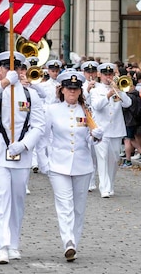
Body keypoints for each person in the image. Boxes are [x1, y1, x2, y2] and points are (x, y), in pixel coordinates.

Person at [0, 52, 45, 264]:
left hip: (21, 155)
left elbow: (39, 125)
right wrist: (6, 81)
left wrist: (25, 144)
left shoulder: (30, 95)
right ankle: (3, 246)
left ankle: (14, 243)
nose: (14, 71)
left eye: (17, 68)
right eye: (7, 67)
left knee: (17, 200)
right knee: (2, 197)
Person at [44, 70, 103, 261]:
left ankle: (74, 244)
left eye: (75, 89)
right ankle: (67, 240)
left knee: (79, 207)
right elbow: (44, 138)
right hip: (58, 164)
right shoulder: (51, 110)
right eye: (69, 88)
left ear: (80, 91)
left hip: (82, 164)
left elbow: (88, 138)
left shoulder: (86, 110)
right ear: (61, 90)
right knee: (64, 205)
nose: (72, 92)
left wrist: (96, 136)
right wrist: (44, 162)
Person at [90, 62, 131, 198]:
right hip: (101, 130)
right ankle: (104, 188)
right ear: (100, 75)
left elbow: (128, 103)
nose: (108, 77)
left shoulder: (118, 88)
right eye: (105, 74)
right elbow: (96, 106)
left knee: (114, 159)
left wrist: (119, 91)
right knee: (102, 158)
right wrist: (108, 95)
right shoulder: (95, 90)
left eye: (110, 74)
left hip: (116, 129)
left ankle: (111, 185)